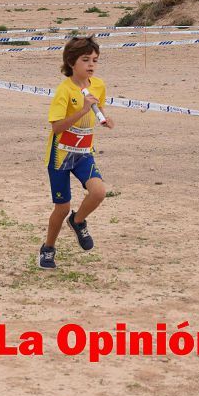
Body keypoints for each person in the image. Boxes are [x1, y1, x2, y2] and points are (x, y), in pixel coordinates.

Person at [39, 36, 115, 269]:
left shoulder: (99, 84)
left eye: (95, 60)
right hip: (60, 155)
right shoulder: (64, 90)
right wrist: (82, 110)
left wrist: (103, 117)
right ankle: (48, 249)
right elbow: (56, 127)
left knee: (99, 192)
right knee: (61, 208)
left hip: (83, 153)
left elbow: (98, 105)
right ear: (72, 62)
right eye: (85, 60)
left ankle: (78, 220)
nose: (91, 64)